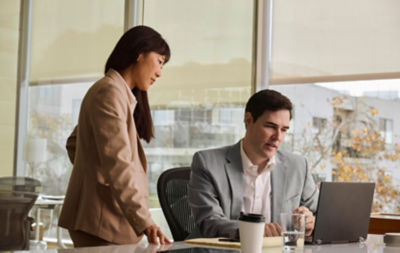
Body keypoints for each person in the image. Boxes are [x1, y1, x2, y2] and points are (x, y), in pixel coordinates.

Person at [58, 25, 171, 247]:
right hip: (101, 224)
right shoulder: (109, 93)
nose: (160, 72)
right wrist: (144, 219)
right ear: (140, 53)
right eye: (160, 61)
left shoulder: (114, 93)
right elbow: (119, 165)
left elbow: (75, 144)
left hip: (106, 221)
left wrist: (93, 175)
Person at [188, 89, 319, 239]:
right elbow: (209, 221)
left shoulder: (298, 166)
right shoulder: (207, 163)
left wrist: (310, 222)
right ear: (248, 120)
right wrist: (253, 231)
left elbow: (320, 215)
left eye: (284, 130)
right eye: (270, 126)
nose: (278, 137)